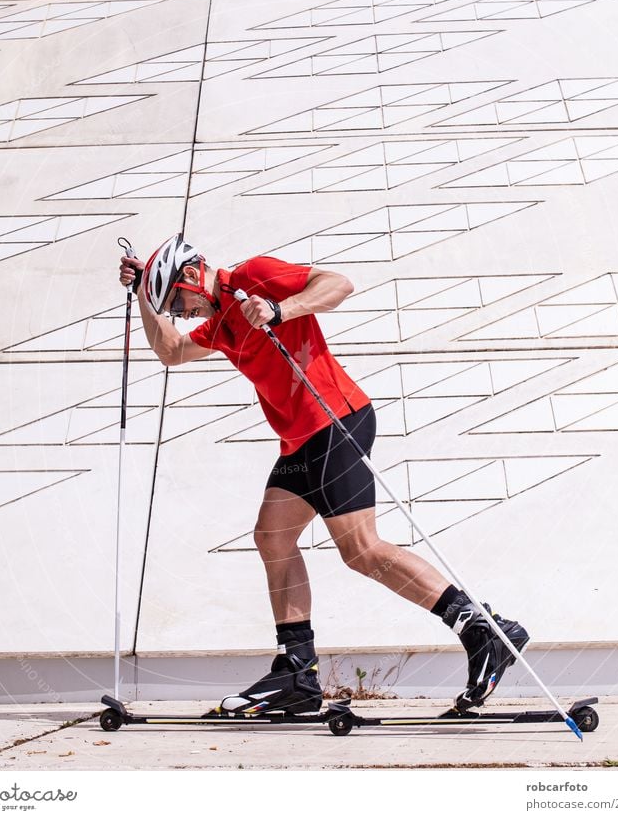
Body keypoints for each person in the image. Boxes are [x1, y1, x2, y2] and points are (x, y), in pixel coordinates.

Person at [119, 233, 529, 716]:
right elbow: (170, 351)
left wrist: (279, 310)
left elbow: (338, 284)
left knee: (362, 550)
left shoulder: (254, 276)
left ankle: (484, 629)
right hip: (300, 439)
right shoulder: (222, 325)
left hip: (334, 420)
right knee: (272, 538)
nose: (184, 315)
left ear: (191, 277)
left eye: (178, 303)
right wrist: (141, 294)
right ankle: (297, 670)